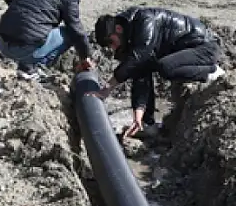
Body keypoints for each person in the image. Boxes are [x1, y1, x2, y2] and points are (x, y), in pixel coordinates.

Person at [92, 7, 225, 140]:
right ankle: (148, 125)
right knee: (146, 67)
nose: (113, 48)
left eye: (111, 42)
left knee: (165, 67)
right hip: (187, 52)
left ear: (118, 29)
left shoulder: (145, 20)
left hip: (205, 48)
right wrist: (138, 115)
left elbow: (139, 57)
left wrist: (108, 87)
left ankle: (212, 72)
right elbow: (140, 75)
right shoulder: (131, 36)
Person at [0, 0, 94, 81]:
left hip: (2, 42)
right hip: (23, 50)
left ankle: (27, 66)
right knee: (68, 34)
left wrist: (18, 8)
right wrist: (85, 56)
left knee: (42, 30)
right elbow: (76, 30)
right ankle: (30, 68)